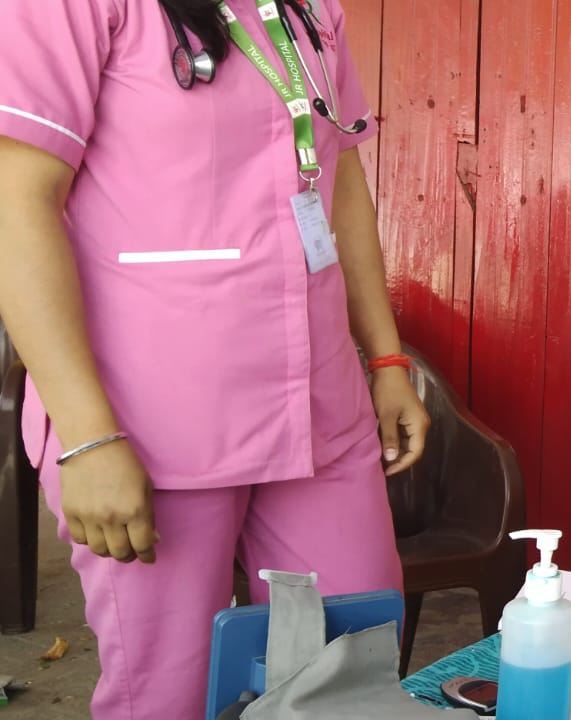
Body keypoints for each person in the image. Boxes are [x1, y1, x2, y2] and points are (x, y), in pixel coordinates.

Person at [0, 2, 426, 718]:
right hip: (153, 416)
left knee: (350, 670)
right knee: (171, 692)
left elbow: (341, 178)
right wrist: (88, 439)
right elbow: (16, 205)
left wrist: (385, 358)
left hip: (318, 404)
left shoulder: (310, 8)